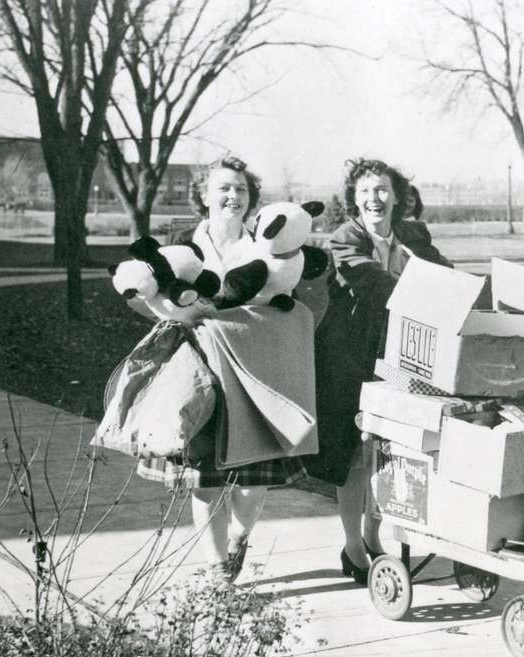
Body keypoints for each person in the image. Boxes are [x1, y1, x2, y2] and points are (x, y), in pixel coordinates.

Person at [136, 156, 307, 583]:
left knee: (254, 480)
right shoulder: (179, 244)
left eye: (242, 190)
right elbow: (146, 298)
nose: (233, 196)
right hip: (194, 370)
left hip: (253, 372)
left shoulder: (270, 246)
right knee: (204, 478)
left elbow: (288, 299)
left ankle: (238, 537)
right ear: (204, 196)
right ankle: (216, 573)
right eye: (224, 188)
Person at [309, 158, 451, 584]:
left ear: (397, 196)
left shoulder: (413, 235)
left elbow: (447, 276)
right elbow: (371, 285)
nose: (375, 198)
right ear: (354, 197)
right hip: (349, 360)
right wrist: (427, 290)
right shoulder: (344, 239)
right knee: (353, 456)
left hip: (402, 360)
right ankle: (353, 545)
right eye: (366, 190)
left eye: (383, 189)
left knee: (391, 453)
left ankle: (376, 536)